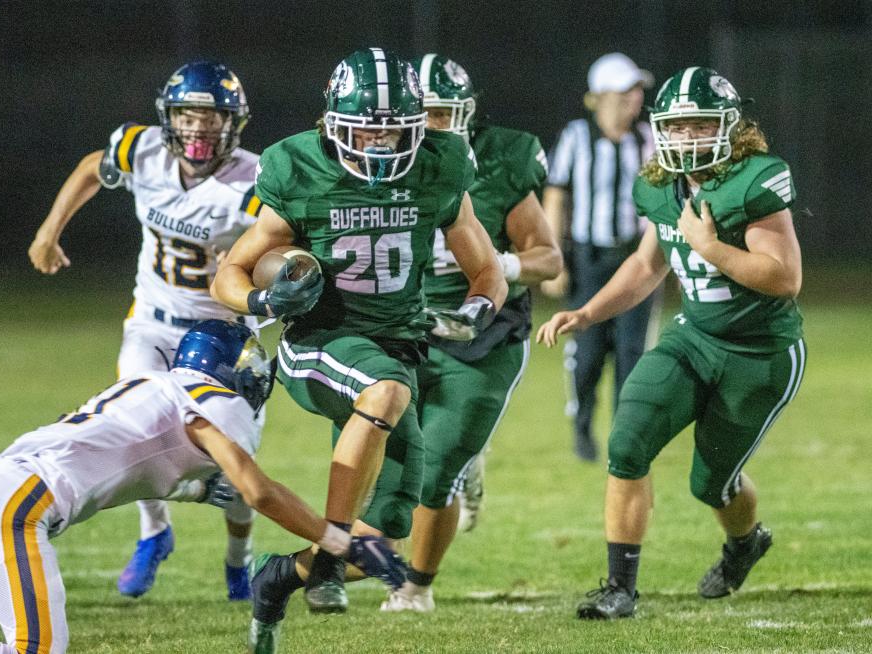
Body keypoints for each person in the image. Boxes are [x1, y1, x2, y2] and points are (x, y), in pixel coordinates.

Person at [210, 48, 507, 653]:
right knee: (385, 392)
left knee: (387, 538)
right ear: (333, 124)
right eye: (364, 128)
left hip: (399, 349)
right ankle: (336, 536)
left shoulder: (440, 166)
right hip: (317, 345)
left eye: (391, 128)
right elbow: (230, 273)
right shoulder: (299, 166)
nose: (377, 142)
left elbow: (488, 269)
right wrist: (264, 303)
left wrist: (474, 312)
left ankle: (282, 578)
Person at [0, 320, 406, 654]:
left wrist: (191, 491)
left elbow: (117, 456)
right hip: (13, 506)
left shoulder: (149, 384)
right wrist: (340, 540)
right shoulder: (213, 404)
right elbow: (260, 493)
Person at [537, 67, 805, 619]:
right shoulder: (659, 184)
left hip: (760, 352)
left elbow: (785, 278)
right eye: (677, 126)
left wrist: (712, 249)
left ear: (729, 128)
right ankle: (619, 589)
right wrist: (588, 312)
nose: (687, 138)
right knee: (628, 440)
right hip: (696, 336)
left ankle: (744, 542)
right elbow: (647, 264)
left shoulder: (756, 178)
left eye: (699, 125)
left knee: (712, 484)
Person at [28, 61, 263, 600]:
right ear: (169, 116)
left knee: (236, 463)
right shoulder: (144, 149)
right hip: (153, 324)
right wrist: (49, 230)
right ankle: (154, 533)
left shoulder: (255, 178)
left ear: (234, 123)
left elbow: (284, 239)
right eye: (188, 115)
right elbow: (94, 166)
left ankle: (238, 561)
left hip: (224, 333)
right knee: (132, 431)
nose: (199, 129)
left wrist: (258, 253)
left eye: (212, 118)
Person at [378, 53, 562, 612]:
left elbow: (548, 259)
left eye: (446, 113)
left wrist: (502, 267)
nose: (437, 126)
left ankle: (416, 587)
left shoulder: (500, 159)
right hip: (402, 326)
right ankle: (376, 564)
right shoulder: (376, 161)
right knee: (385, 462)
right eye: (426, 114)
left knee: (435, 472)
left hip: (481, 333)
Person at [543, 52, 660, 462]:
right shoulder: (576, 136)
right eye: (627, 90)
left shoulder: (647, 138)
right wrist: (553, 256)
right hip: (589, 260)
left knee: (632, 353)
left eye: (637, 90)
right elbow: (556, 196)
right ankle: (582, 427)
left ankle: (624, 435)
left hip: (635, 258)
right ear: (603, 96)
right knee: (589, 352)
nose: (636, 98)